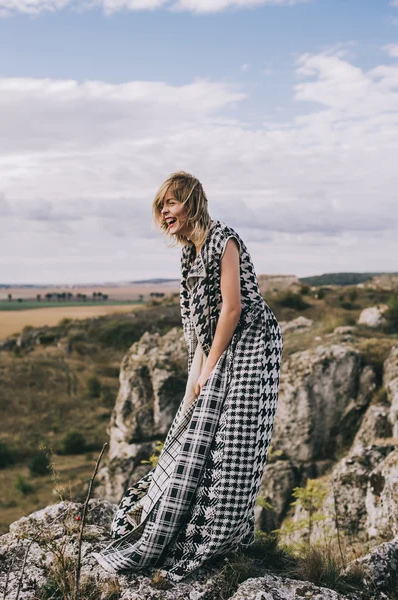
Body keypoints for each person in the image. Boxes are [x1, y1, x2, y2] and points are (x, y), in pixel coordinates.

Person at [92, 171, 283, 583]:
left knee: (235, 442)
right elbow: (200, 325)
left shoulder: (223, 239)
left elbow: (232, 309)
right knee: (193, 424)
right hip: (219, 345)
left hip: (253, 344)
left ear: (192, 202)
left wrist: (211, 367)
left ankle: (223, 539)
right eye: (161, 206)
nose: (164, 212)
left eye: (171, 203)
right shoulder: (188, 255)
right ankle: (186, 524)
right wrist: (196, 377)